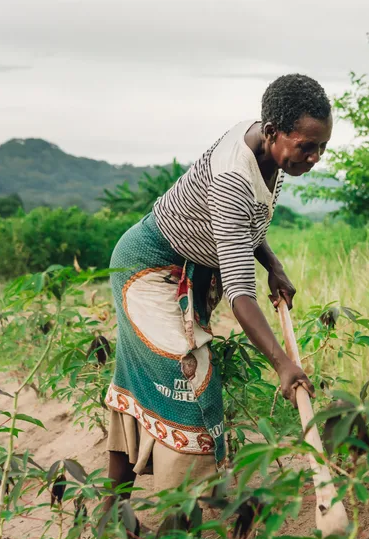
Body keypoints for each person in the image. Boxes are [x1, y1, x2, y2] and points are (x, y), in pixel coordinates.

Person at [101, 74, 329, 515]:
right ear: (273, 131)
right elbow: (242, 294)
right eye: (306, 146)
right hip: (147, 270)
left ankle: (114, 511)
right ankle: (178, 518)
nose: (314, 157)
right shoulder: (232, 178)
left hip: (191, 272)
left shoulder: (268, 150)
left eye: (322, 147)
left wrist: (274, 265)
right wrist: (284, 364)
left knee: (138, 382)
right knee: (191, 375)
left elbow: (245, 225)